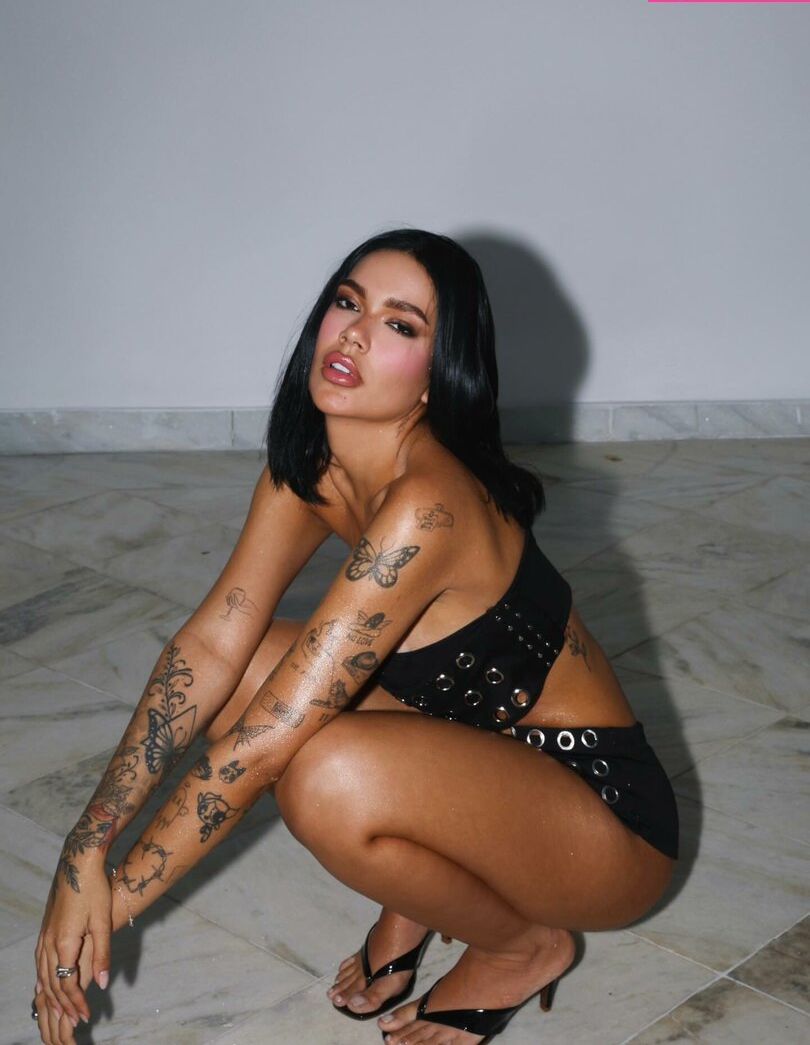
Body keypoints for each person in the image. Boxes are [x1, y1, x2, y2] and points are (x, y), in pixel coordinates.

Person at [33, 229, 678, 1045]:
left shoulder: (428, 507)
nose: (356, 334)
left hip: (601, 823)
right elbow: (210, 648)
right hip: (471, 754)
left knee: (324, 778)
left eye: (401, 324)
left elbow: (263, 750)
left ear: (438, 375)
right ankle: (419, 898)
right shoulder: (313, 465)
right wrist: (83, 849)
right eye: (348, 302)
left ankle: (521, 947)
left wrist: (99, 911)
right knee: (242, 673)